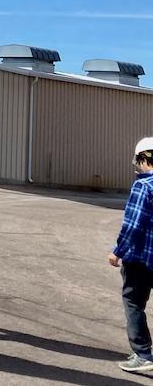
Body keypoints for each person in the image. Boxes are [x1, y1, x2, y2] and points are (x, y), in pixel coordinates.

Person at [110, 137, 153, 374]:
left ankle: (143, 353)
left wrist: (118, 252)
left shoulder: (144, 186)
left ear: (143, 159)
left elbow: (133, 225)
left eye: (138, 162)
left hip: (141, 258)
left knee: (134, 302)